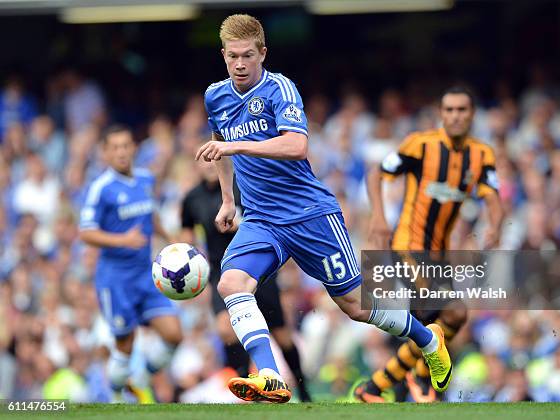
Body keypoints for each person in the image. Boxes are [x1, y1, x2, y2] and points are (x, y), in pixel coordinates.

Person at [195, 13, 451, 404]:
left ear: (263, 53)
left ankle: (427, 338)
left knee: (355, 306)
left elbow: (296, 145)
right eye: (233, 56)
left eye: (248, 55)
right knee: (231, 284)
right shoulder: (216, 96)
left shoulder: (281, 89)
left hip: (310, 214)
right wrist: (229, 199)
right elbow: (220, 147)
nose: (241, 64)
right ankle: (270, 376)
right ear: (223, 55)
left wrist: (234, 145)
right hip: (262, 219)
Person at [356, 86, 503, 402]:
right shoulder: (421, 145)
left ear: (472, 114)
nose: (455, 116)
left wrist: (496, 225)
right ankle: (420, 383)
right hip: (408, 245)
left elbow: (492, 196)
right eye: (449, 109)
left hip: (438, 255)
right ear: (441, 113)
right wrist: (379, 218)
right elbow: (375, 174)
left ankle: (376, 387)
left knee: (451, 318)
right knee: (443, 310)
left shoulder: (482, 155)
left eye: (462, 109)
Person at [180, 159, 312, 401]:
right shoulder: (191, 199)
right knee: (226, 330)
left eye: (214, 159)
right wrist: (185, 264)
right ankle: (246, 387)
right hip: (221, 273)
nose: (210, 165)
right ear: (196, 165)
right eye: (204, 160)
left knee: (281, 335)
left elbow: (268, 221)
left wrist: (241, 225)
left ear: (223, 161)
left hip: (256, 267)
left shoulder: (242, 187)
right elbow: (187, 238)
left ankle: (304, 390)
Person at [79, 125, 183, 403]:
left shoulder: (145, 180)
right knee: (125, 344)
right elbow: (85, 232)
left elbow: (151, 215)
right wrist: (122, 240)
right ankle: (116, 396)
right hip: (115, 279)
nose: (122, 152)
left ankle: (142, 379)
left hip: (145, 275)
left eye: (126, 146)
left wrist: (170, 238)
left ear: (134, 148)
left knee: (174, 334)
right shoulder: (101, 188)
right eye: (115, 147)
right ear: (106, 152)